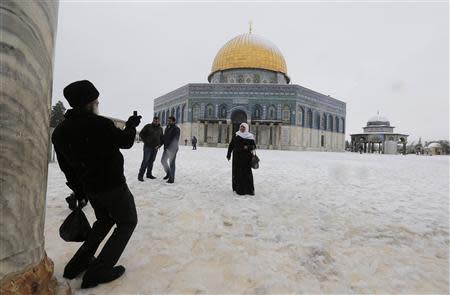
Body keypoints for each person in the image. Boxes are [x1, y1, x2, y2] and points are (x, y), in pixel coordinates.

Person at [52, 80, 141, 289]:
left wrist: (79, 190)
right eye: (95, 101)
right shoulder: (100, 124)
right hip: (113, 186)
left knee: (104, 221)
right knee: (127, 222)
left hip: (91, 188)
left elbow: (66, 167)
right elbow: (126, 141)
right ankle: (99, 270)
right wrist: (131, 125)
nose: (97, 104)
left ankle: (77, 264)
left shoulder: (60, 132)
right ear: (88, 103)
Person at [226, 123, 256, 195]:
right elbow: (231, 145)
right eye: (241, 127)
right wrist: (229, 154)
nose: (241, 128)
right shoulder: (236, 135)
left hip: (246, 158)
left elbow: (254, 146)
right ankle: (239, 189)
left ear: (246, 128)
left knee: (247, 174)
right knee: (238, 173)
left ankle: (248, 190)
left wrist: (247, 147)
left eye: (243, 127)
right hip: (237, 158)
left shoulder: (250, 137)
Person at [138, 116, 163, 181]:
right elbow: (141, 134)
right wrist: (146, 142)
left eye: (157, 121)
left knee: (151, 161)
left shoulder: (160, 129)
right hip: (147, 147)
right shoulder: (148, 126)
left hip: (155, 148)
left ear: (159, 121)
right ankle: (140, 175)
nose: (156, 122)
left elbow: (161, 138)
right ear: (153, 120)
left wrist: (159, 145)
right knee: (145, 161)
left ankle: (149, 174)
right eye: (155, 121)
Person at [161, 116, 180, 183]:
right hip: (166, 148)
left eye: (170, 121)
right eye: (168, 120)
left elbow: (175, 139)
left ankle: (171, 179)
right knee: (163, 161)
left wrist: (169, 147)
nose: (168, 122)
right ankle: (168, 173)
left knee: (172, 163)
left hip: (172, 149)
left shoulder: (176, 129)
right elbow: (164, 138)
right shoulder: (167, 128)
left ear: (174, 121)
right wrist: (160, 145)